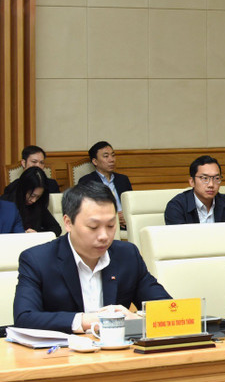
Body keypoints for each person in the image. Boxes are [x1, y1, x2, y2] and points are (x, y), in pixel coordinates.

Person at [13, 182, 170, 333]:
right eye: (93, 227)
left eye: (110, 226)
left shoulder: (127, 255)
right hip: (63, 354)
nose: (104, 236)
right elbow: (25, 318)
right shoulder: (37, 260)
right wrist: (88, 320)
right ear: (68, 223)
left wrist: (137, 319)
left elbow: (168, 308)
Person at [164, 155, 225, 224]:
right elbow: (177, 239)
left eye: (216, 178)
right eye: (204, 178)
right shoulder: (176, 206)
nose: (211, 184)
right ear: (192, 181)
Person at [78, 141, 133, 229]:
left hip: (127, 224)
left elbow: (131, 205)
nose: (112, 160)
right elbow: (87, 211)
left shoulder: (123, 179)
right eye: (106, 156)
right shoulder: (87, 182)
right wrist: (113, 218)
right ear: (95, 161)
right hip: (102, 227)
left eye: (113, 155)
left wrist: (127, 216)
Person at [1, 167, 61, 235]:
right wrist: (23, 234)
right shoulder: (7, 204)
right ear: (23, 189)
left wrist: (37, 234)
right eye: (32, 195)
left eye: (38, 196)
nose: (34, 200)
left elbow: (56, 228)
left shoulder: (38, 204)